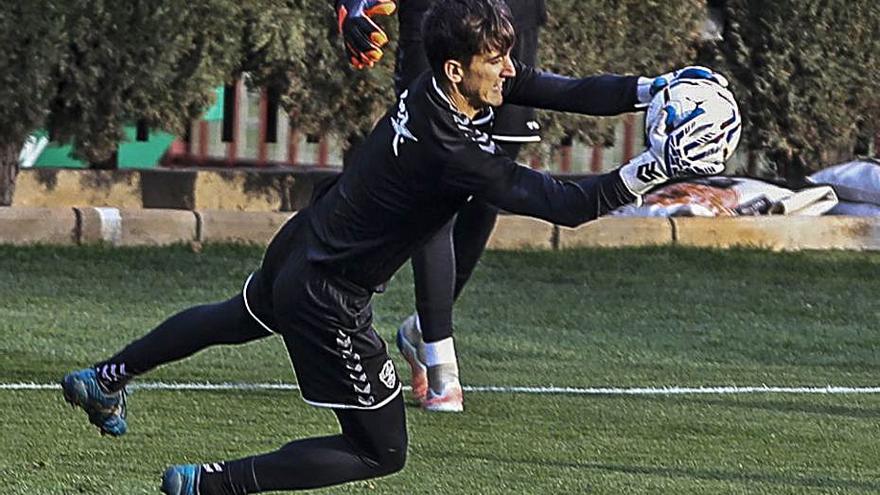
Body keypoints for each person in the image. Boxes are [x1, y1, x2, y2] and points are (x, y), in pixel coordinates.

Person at [62, 1, 728, 493]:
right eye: (495, 60)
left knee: (237, 316)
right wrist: (655, 168)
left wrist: (655, 87)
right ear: (455, 67)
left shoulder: (437, 84)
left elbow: (561, 88)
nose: (507, 71)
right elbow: (565, 205)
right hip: (330, 295)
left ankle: (107, 377)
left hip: (304, 243)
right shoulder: (452, 148)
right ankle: (210, 484)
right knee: (380, 452)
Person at [337, 0, 546, 412]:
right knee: (435, 183)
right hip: (436, 14)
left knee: (490, 190)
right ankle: (440, 364)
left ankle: (422, 330)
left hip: (512, 14)